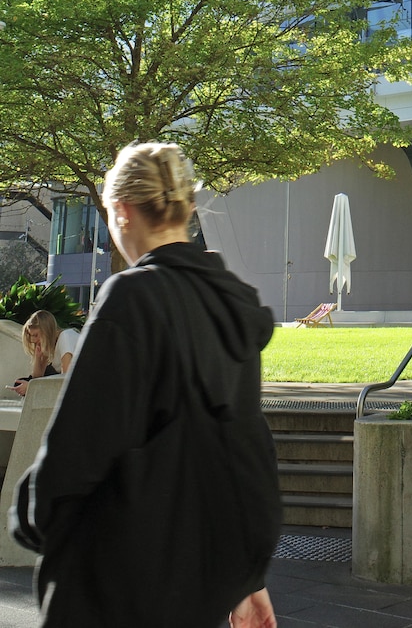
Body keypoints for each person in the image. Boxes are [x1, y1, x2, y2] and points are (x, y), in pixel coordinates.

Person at [10, 141, 281, 628]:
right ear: (187, 209)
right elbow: (241, 449)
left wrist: (32, 514)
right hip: (194, 588)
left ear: (122, 211)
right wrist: (247, 578)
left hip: (116, 581)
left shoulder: (133, 298)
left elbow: (80, 445)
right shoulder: (231, 305)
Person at [12, 311, 81, 396]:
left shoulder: (65, 337)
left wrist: (31, 388)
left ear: (46, 332)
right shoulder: (49, 345)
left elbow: (65, 379)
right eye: (30, 336)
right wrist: (38, 357)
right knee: (21, 382)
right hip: (70, 382)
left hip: (81, 383)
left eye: (36, 335)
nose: (33, 340)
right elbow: (37, 377)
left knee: (31, 385)